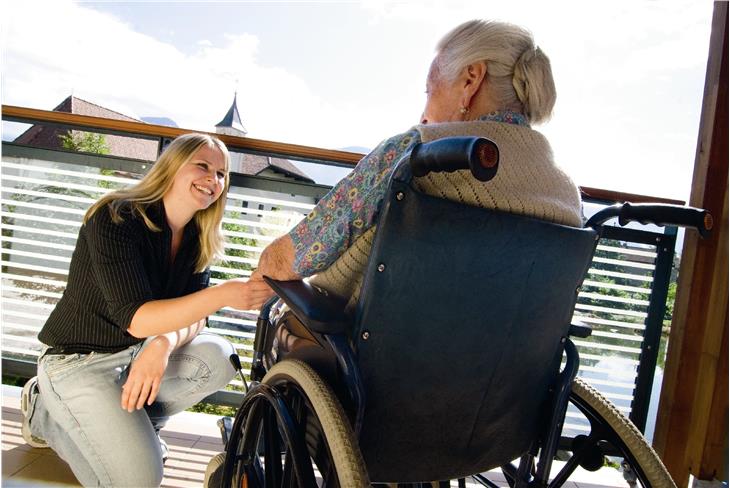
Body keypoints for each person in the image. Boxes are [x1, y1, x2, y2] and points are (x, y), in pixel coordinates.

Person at [250, 19, 582, 310]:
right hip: (501, 376)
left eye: (430, 90)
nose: (423, 113)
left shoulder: (418, 154)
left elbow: (296, 256)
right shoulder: (567, 195)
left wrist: (264, 267)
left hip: (372, 361)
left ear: (471, 80)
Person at [20, 133, 273, 487]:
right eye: (202, 165)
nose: (213, 180)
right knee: (139, 482)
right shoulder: (115, 217)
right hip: (78, 361)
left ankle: (136, 427)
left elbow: (195, 318)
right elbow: (137, 318)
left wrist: (163, 343)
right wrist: (226, 293)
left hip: (137, 355)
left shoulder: (198, 238)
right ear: (171, 166)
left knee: (218, 355)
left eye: (221, 174)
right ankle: (44, 412)